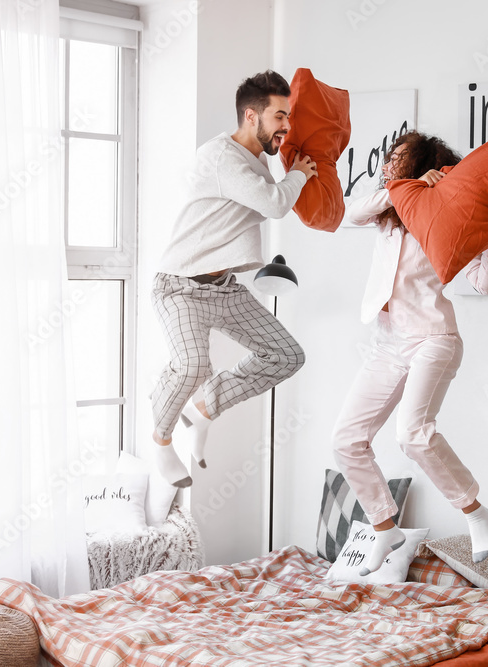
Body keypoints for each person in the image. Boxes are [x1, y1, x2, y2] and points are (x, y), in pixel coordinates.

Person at [333, 131, 488, 573]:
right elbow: (348, 213)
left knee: (412, 434)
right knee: (346, 440)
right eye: (387, 159)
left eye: (396, 161)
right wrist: (406, 189)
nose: (386, 166)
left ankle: (475, 512)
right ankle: (385, 528)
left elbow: (484, 284)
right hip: (389, 343)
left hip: (434, 338)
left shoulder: (451, 215)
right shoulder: (388, 211)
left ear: (419, 162)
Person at [151, 70, 318, 487]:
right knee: (191, 365)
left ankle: (204, 408)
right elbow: (274, 204)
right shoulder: (221, 157)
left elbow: (271, 200)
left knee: (286, 355)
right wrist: (298, 172)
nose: (286, 126)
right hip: (179, 287)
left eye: (289, 117)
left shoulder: (257, 161)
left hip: (224, 290)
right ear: (251, 115)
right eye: (280, 116)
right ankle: (161, 439)